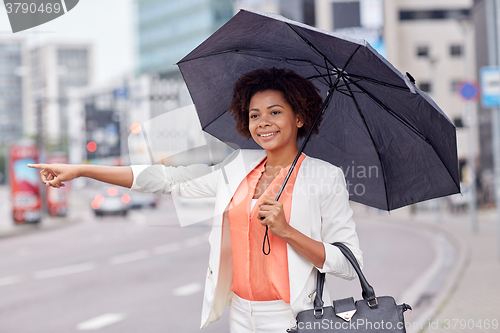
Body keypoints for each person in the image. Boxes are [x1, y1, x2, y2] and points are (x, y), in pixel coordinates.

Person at [28, 67, 363, 332]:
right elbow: (167, 180)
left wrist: (288, 231)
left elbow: (350, 263)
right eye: (254, 114)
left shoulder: (324, 177)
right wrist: (82, 171)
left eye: (275, 112)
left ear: (300, 116)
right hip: (242, 315)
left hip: (295, 317)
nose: (263, 123)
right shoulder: (238, 167)